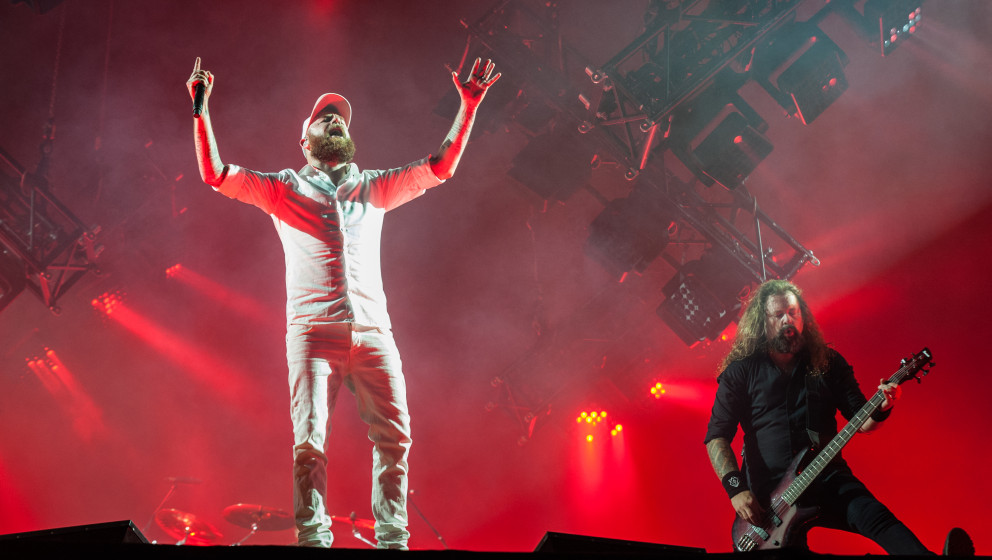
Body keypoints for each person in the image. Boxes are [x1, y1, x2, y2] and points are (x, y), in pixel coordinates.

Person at [185, 56, 500, 549]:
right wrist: (201, 112)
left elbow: (440, 168)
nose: (334, 120)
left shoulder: (373, 186)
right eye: (323, 117)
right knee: (310, 443)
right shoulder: (283, 188)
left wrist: (468, 107)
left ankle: (393, 539)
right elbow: (215, 175)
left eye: (339, 118)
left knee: (395, 440)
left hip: (374, 332)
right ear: (305, 138)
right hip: (312, 332)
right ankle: (314, 540)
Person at [703, 279, 933, 554]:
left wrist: (884, 407)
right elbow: (717, 436)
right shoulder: (742, 372)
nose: (787, 320)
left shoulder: (828, 363)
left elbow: (862, 421)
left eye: (793, 312)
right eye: (778, 315)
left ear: (803, 315)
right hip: (768, 498)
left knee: (877, 519)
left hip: (825, 474)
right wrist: (735, 489)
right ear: (762, 323)